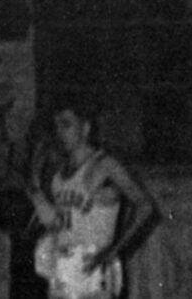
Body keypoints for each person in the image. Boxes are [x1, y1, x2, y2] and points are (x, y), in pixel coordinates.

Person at [29, 100, 156, 299]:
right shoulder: (59, 173)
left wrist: (114, 250)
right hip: (63, 268)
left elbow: (145, 206)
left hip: (92, 267)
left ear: (85, 128)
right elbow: (59, 223)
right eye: (57, 126)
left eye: (66, 124)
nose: (60, 132)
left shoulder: (104, 165)